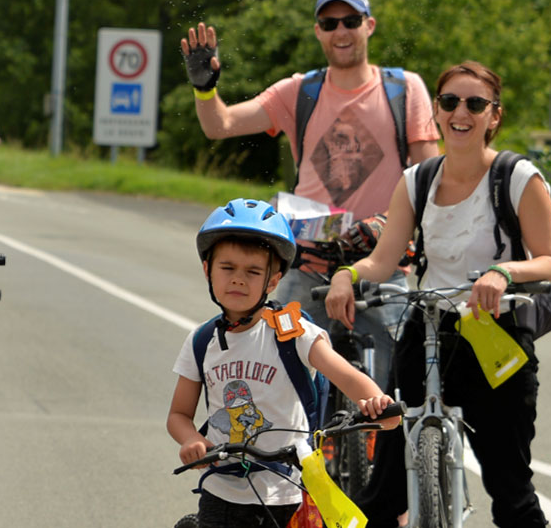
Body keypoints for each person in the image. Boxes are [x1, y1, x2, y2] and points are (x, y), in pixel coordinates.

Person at [323, 61, 551, 527]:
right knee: (383, 491)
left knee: (511, 491)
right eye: (450, 101)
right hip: (430, 328)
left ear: (494, 116)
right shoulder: (419, 179)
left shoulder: (517, 177)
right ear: (436, 109)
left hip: (497, 332)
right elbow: (384, 260)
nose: (461, 112)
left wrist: (503, 274)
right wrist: (347, 275)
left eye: (476, 104)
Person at [180, 0, 440, 389]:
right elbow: (220, 125)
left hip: (381, 255)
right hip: (310, 262)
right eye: (329, 22)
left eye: (351, 21)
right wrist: (204, 87)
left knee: (397, 387)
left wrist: (412, 228)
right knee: (285, 376)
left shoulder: (404, 90)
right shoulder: (300, 91)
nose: (341, 31)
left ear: (369, 26)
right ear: (318, 30)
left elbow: (428, 176)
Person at [167, 198, 399, 527]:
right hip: (222, 491)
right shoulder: (201, 341)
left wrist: (375, 400)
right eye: (227, 268)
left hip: (288, 493)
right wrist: (191, 439)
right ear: (208, 270)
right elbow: (178, 414)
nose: (238, 279)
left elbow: (344, 375)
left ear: (272, 281)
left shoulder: (292, 332)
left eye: (252, 271)